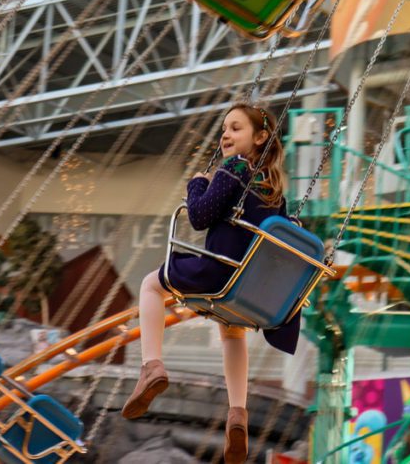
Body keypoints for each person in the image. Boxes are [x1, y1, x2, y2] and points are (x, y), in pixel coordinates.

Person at [122, 104, 292, 464]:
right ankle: (237, 413)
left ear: (260, 138)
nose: (226, 136)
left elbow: (199, 216)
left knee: (151, 286)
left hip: (218, 273)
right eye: (224, 129)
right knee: (232, 330)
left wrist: (198, 182)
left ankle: (152, 365)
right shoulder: (276, 192)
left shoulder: (235, 169)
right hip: (250, 288)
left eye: (236, 128)